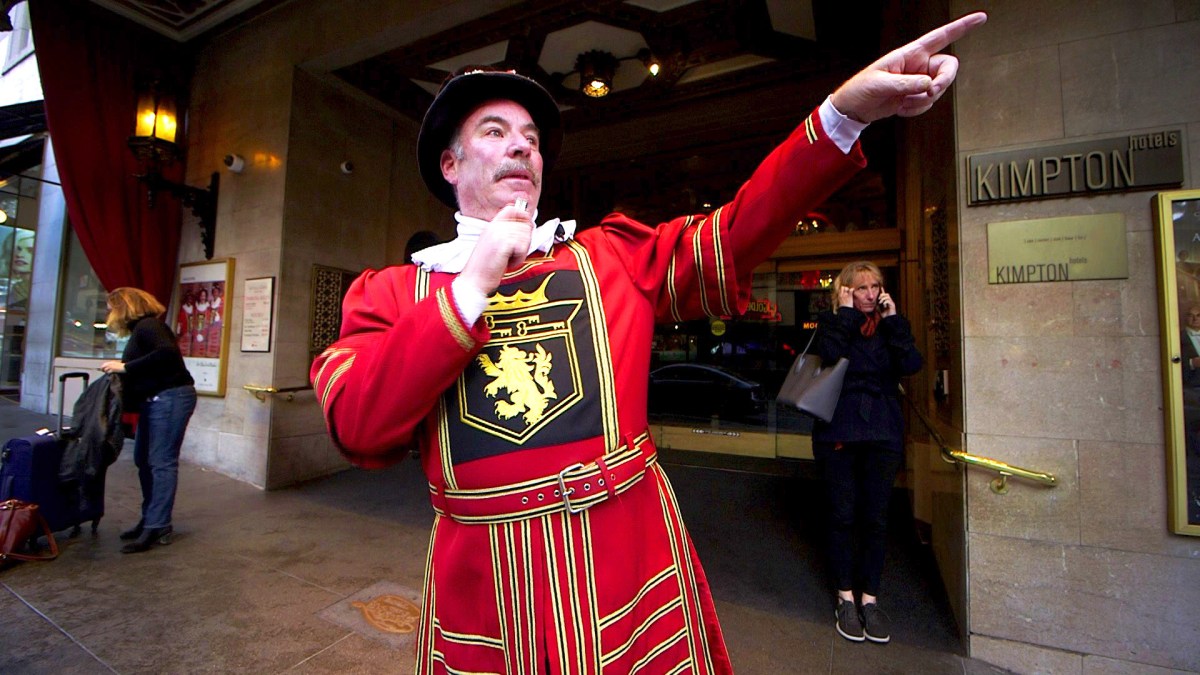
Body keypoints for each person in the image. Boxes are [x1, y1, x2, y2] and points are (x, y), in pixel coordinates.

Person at [311, 12, 984, 672]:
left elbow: (738, 229)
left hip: (628, 589)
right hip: (487, 611)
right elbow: (358, 424)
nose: (523, 146)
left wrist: (841, 115)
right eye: (496, 131)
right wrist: (475, 282)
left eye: (533, 138)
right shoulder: (394, 295)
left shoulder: (610, 258)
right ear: (451, 164)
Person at [812, 261, 923, 643]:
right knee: (842, 515)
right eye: (861, 288)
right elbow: (827, 354)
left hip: (882, 432)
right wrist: (844, 314)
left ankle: (869, 600)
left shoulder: (891, 325)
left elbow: (911, 365)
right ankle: (845, 598)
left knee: (876, 519)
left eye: (875, 286)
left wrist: (894, 322)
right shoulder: (834, 322)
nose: (870, 294)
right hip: (841, 430)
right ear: (845, 291)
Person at [100, 287, 197, 554]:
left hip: (170, 397)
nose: (110, 314)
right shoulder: (143, 329)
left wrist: (125, 367)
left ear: (124, 306)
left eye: (112, 308)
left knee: (160, 462)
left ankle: (158, 525)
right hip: (158, 400)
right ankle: (150, 519)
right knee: (143, 460)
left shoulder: (149, 326)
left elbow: (166, 354)